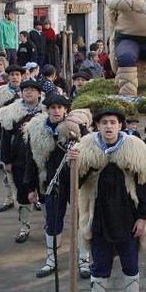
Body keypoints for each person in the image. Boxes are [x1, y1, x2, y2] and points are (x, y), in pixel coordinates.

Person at [71, 108, 146, 292]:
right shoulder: (86, 148)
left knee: (131, 265)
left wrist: (142, 217)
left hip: (127, 217)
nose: (109, 126)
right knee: (99, 265)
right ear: (97, 125)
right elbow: (75, 183)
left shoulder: (133, 148)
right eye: (104, 122)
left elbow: (144, 184)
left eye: (113, 122)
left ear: (120, 125)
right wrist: (73, 165)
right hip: (98, 216)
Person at [24, 95, 91, 278]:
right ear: (47, 110)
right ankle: (51, 261)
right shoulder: (36, 130)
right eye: (52, 107)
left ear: (65, 110)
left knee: (81, 220)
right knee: (53, 222)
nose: (56, 111)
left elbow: (90, 153)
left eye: (60, 107)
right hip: (52, 182)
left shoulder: (78, 128)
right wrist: (30, 187)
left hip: (76, 182)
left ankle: (84, 260)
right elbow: (31, 159)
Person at [0, 79, 44, 243]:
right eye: (25, 90)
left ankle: (50, 227)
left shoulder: (48, 110)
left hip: (42, 160)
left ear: (39, 93)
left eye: (32, 90)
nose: (29, 92)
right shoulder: (12, 112)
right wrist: (6, 160)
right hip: (20, 160)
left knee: (45, 193)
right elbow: (5, 138)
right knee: (23, 194)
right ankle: (25, 226)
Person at [0, 65, 23, 213]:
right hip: (6, 135)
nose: (15, 77)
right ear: (8, 77)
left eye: (17, 74)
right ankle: (9, 197)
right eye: (12, 74)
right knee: (6, 167)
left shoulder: (28, 91)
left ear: (22, 76)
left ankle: (32, 197)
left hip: (24, 135)